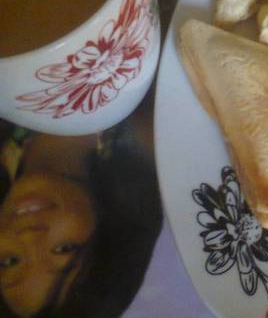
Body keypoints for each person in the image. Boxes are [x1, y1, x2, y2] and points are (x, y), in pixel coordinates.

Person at [0, 120, 162, 318]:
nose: (28, 236)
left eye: (11, 261)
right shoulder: (146, 122)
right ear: (109, 235)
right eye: (63, 249)